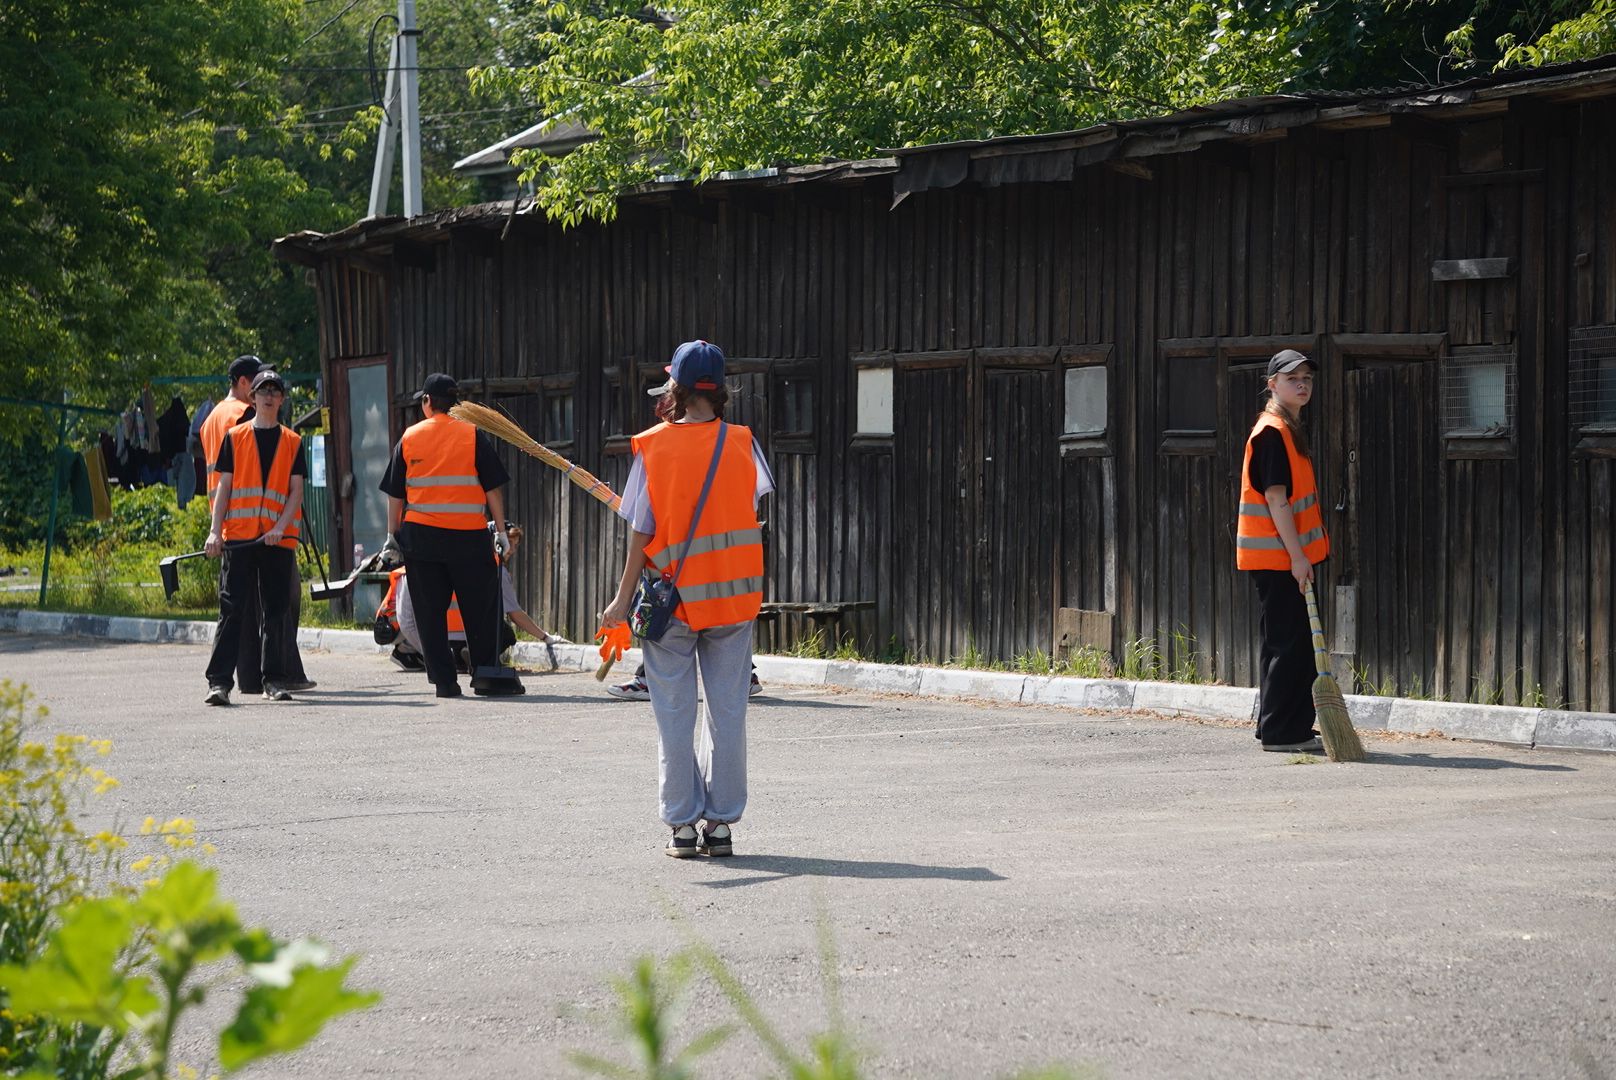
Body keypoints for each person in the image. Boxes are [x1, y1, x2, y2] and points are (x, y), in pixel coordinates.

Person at [598, 340, 774, 858]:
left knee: (673, 715)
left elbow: (640, 533)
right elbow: (749, 506)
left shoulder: (653, 448)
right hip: (732, 601)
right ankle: (720, 826)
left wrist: (620, 599)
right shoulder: (744, 442)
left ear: (674, 386)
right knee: (728, 716)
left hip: (669, 602)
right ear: (719, 389)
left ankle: (681, 826)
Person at [378, 373, 522, 698]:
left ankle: (445, 683)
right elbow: (492, 489)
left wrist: (392, 535)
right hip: (468, 538)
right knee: (480, 609)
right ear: (456, 404)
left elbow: (395, 495)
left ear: (427, 402)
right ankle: (485, 674)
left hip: (422, 541)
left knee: (430, 613)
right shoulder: (473, 435)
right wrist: (499, 531)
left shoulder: (410, 437)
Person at [197, 354, 314, 694]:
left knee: (276, 612)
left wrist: (280, 525)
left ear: (281, 400)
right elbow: (224, 488)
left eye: (275, 391)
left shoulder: (293, 442)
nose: (268, 395)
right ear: (253, 396)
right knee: (231, 609)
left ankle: (274, 680)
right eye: (263, 389)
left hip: (277, 540)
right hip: (240, 538)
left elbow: (296, 492)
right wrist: (215, 530)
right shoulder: (234, 437)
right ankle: (218, 683)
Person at [1236, 349, 1331, 753]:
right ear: (1271, 384)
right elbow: (1277, 500)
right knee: (1289, 645)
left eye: (1307, 378)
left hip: (1283, 557)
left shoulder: (1286, 428)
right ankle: (1280, 732)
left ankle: (1279, 725)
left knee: (1284, 642)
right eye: (1293, 378)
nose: (1303, 384)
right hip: (1280, 558)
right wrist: (1297, 557)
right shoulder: (1273, 432)